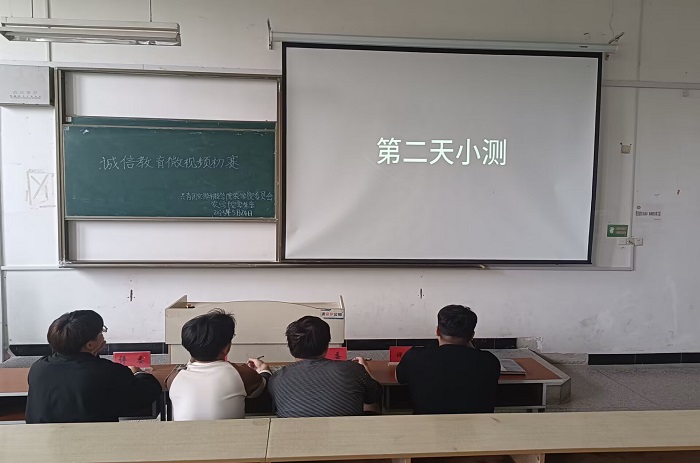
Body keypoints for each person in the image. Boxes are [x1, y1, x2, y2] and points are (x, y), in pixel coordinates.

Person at [25, 310, 162, 423]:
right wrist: (139, 373)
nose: (103, 335)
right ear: (90, 345)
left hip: (43, 442)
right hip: (92, 443)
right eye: (101, 332)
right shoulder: (107, 371)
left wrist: (93, 355)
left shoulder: (38, 368)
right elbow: (146, 394)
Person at [248, 316, 381, 417]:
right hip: (345, 441)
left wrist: (264, 371)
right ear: (327, 345)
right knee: (371, 404)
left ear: (290, 348)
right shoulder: (353, 370)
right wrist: (366, 371)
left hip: (294, 443)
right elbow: (376, 395)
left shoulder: (277, 378)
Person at [395, 304, 500, 414]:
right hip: (478, 425)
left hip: (427, 424)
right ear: (472, 335)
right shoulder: (489, 361)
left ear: (437, 331)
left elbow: (399, 378)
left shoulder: (414, 357)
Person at [168, 309, 269, 421]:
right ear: (226, 348)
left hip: (184, 433)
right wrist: (264, 370)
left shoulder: (174, 379)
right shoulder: (241, 374)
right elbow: (262, 387)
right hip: (231, 433)